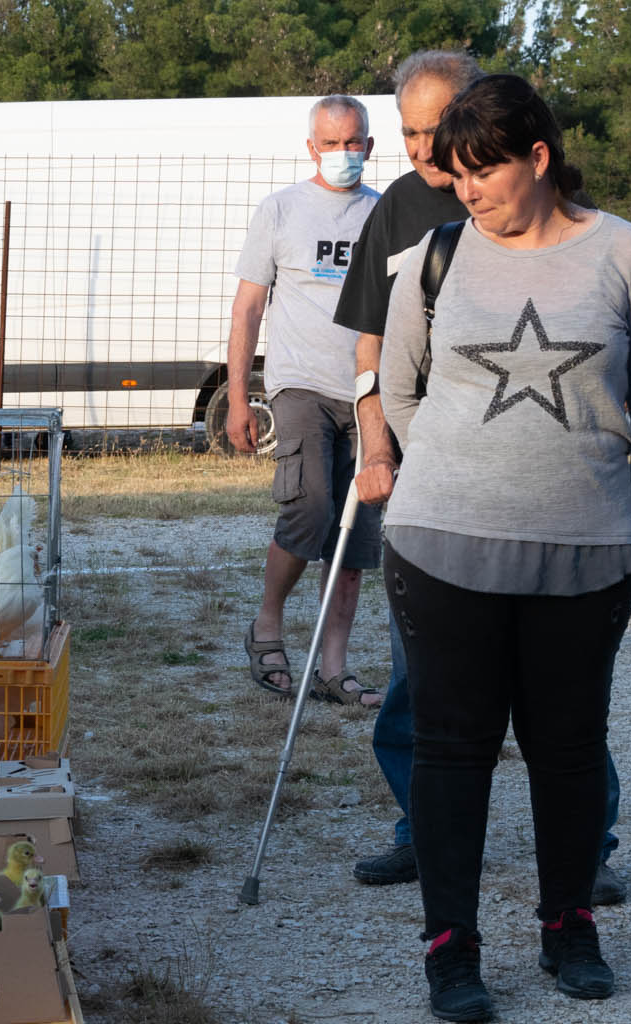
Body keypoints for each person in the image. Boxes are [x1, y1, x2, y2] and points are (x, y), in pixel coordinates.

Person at [351, 74, 631, 1023]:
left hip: (587, 547)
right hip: (442, 543)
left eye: (484, 170)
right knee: (450, 752)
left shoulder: (624, 253)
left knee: (570, 750)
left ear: (538, 157)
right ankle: (451, 950)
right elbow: (395, 385)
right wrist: (436, 470)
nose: (468, 191)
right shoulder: (431, 257)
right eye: (454, 174)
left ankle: (569, 927)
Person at [232, 95, 385, 709]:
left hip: (369, 395)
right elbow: (248, 308)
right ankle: (267, 626)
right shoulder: (280, 210)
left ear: (369, 147)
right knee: (312, 509)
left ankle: (333, 666)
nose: (343, 153)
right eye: (332, 142)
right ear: (311, 147)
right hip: (300, 386)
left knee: (356, 535)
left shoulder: (384, 214)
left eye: (354, 142)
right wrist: (240, 396)